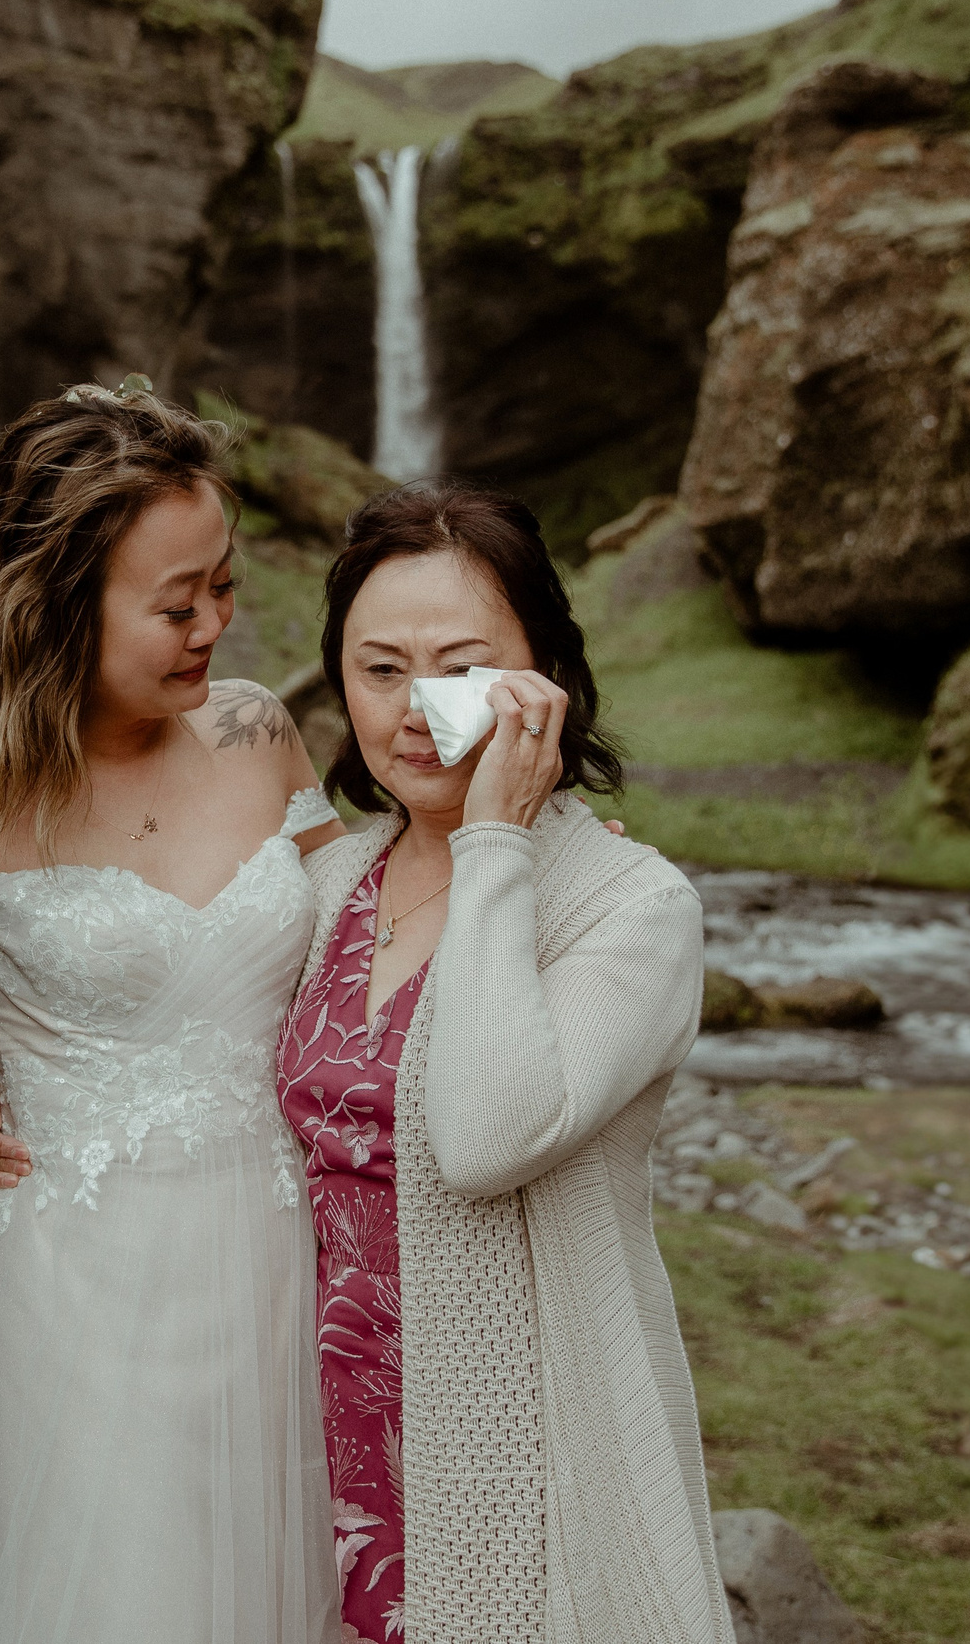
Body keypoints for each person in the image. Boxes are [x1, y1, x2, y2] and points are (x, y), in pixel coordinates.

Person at [0, 379, 343, 1642]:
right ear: (57, 602)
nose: (216, 620)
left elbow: (373, 957)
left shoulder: (261, 729)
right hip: (69, 1293)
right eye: (177, 601)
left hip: (279, 1278)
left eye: (224, 582)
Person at [278, 479, 732, 1642]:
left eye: (463, 667)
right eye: (379, 668)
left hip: (519, 1457)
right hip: (313, 1448)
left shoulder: (628, 907)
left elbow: (486, 1136)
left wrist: (491, 839)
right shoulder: (330, 884)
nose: (417, 708)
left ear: (550, 682)